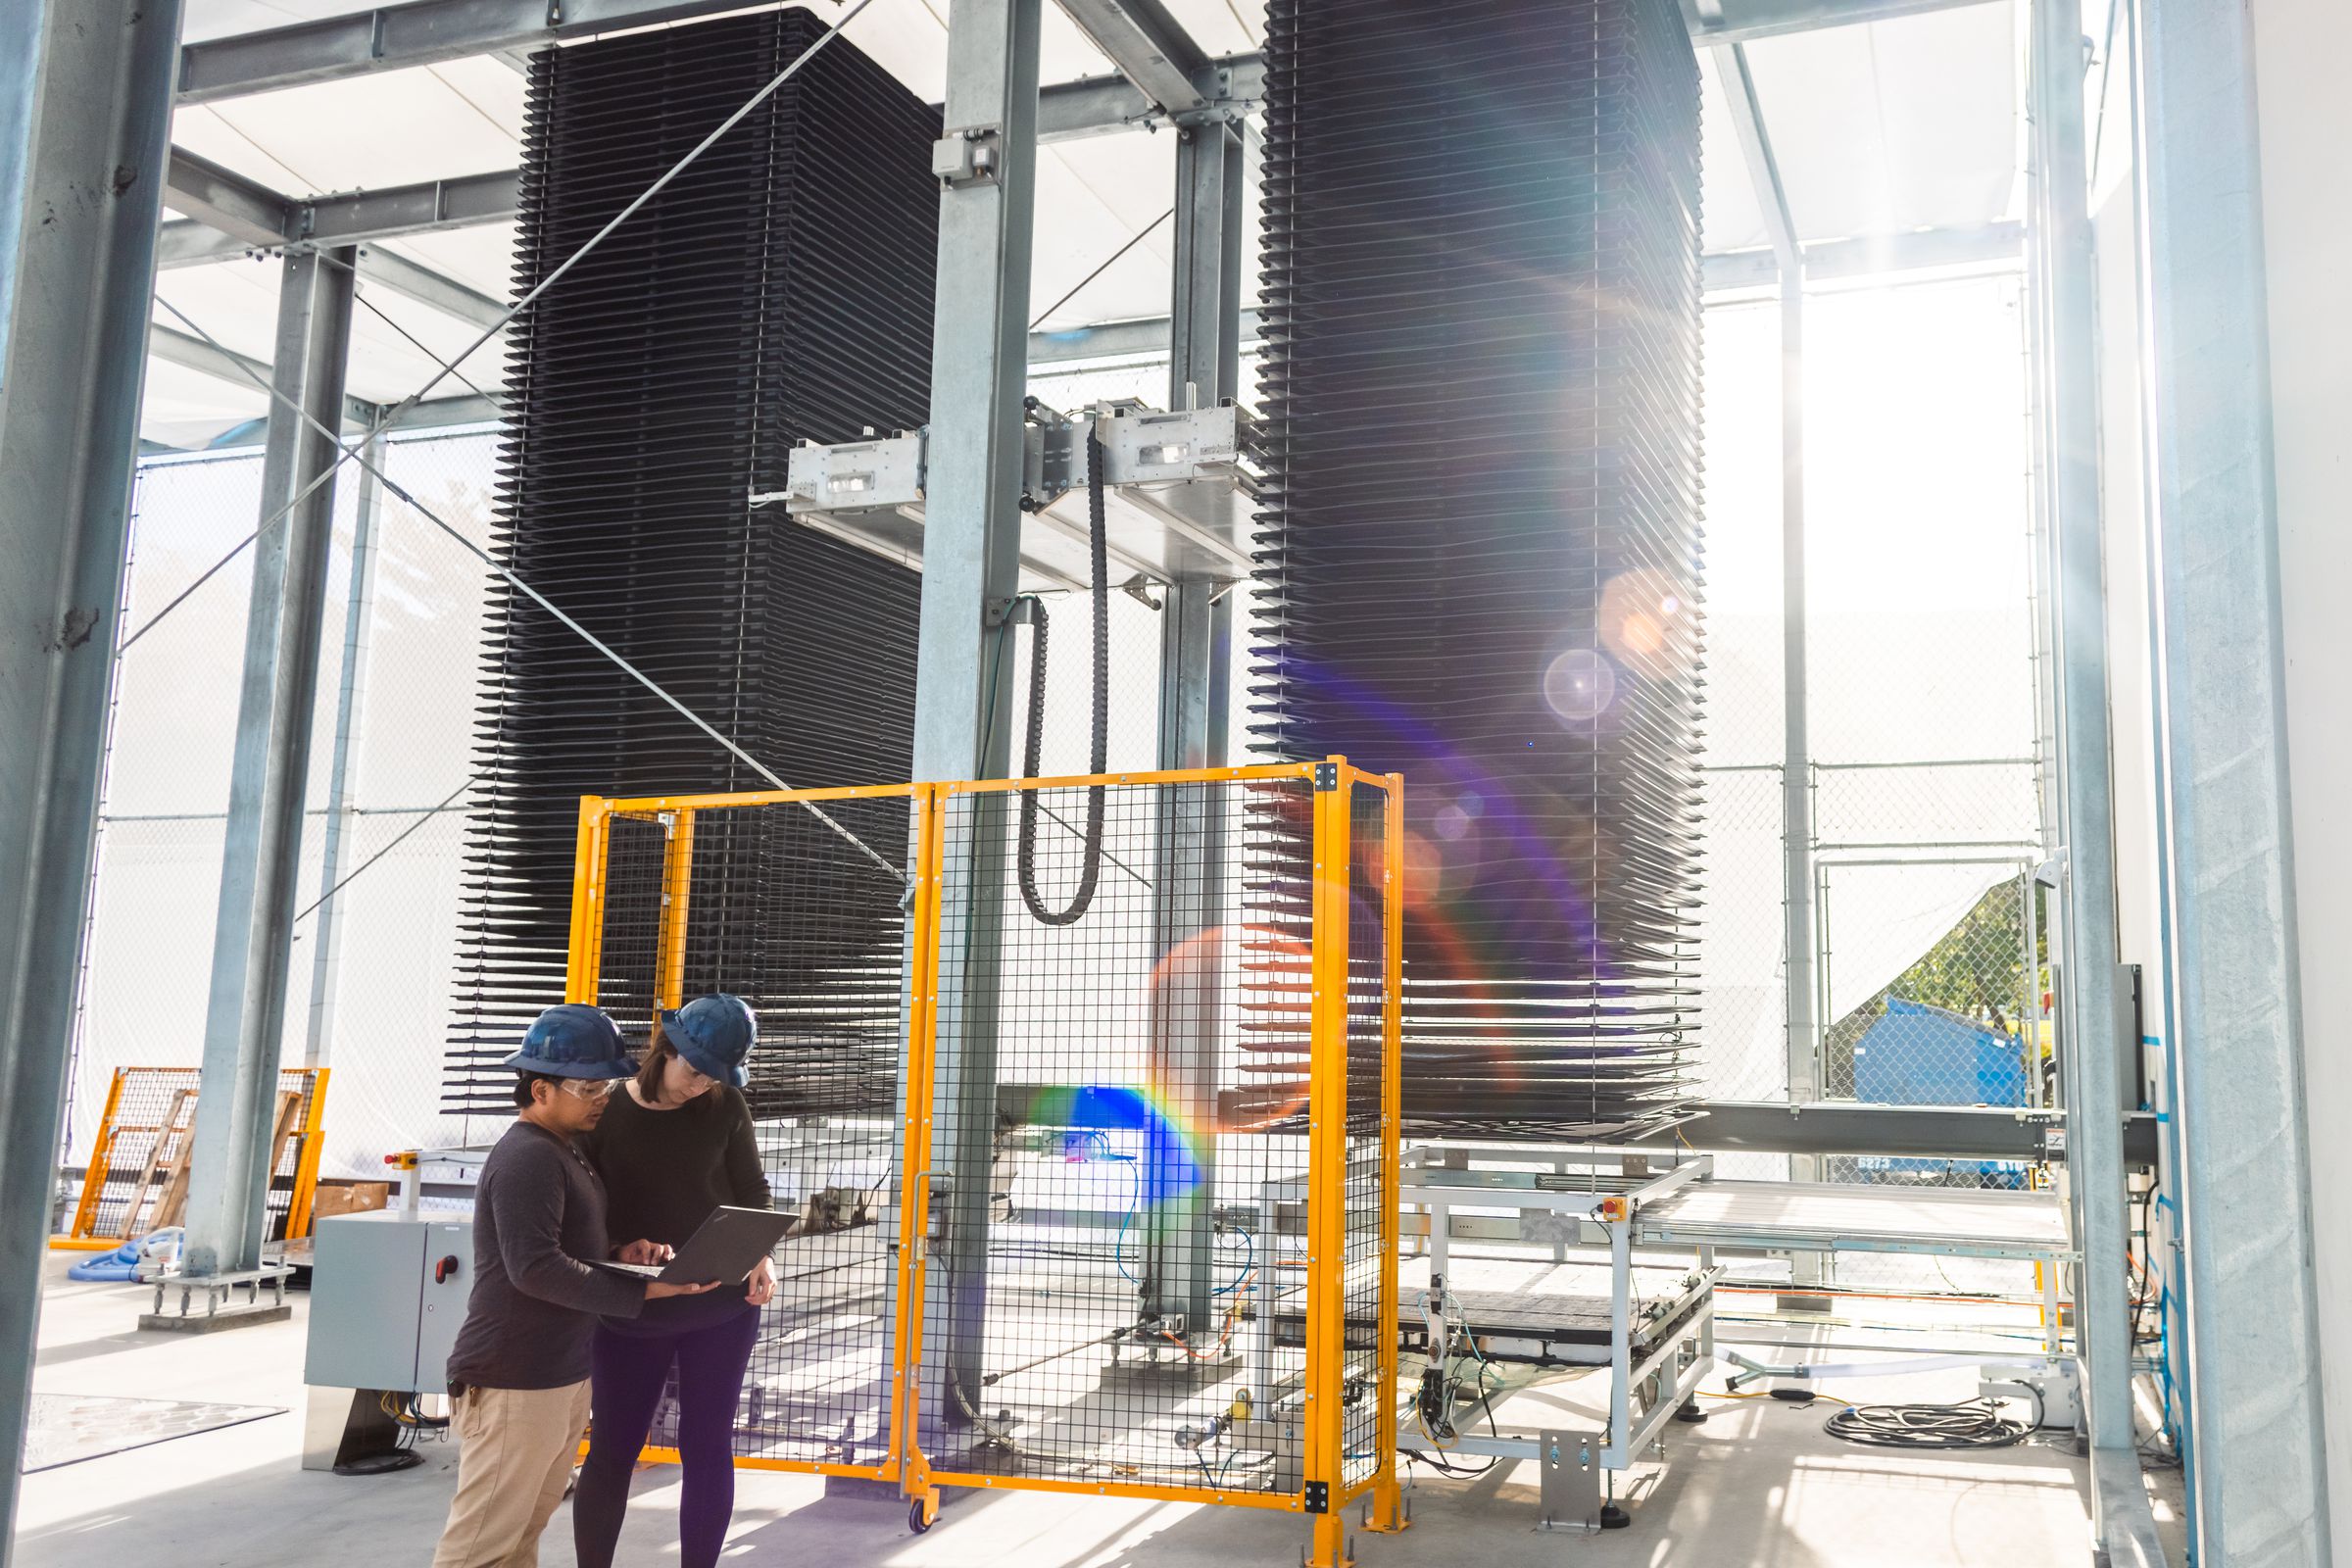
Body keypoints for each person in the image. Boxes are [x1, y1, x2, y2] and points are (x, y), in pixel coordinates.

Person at [430, 1004, 719, 1568]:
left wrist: (617, 1254)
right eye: (588, 1088)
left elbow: (561, 1246)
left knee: (520, 1537)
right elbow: (535, 1268)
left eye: (606, 1085)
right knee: (481, 1548)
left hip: (556, 1375)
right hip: (514, 1380)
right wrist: (646, 1293)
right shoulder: (528, 1159)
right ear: (540, 1089)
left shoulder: (561, 1149)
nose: (602, 1098)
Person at [573, 993, 773, 1568]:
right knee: (613, 1449)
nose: (700, 1084)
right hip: (633, 1309)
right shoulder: (605, 1111)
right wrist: (618, 1247)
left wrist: (761, 1254)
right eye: (695, 1070)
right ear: (666, 1049)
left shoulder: (725, 1105)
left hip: (722, 1308)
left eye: (714, 1076)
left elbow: (753, 1192)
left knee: (707, 1446)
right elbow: (580, 1209)